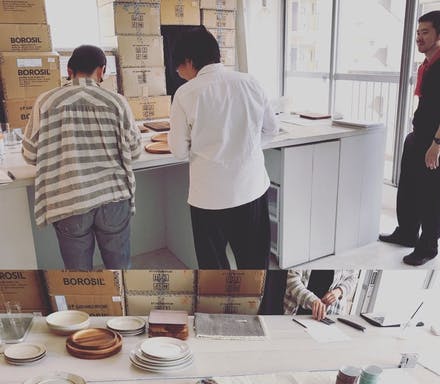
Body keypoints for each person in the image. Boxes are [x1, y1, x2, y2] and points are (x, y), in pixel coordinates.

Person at [168, 26, 279, 270]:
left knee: (214, 270)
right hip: (251, 189)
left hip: (209, 198)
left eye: (178, 65)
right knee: (254, 267)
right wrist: (245, 148)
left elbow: (178, 150)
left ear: (189, 60)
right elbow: (271, 130)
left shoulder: (185, 94)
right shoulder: (251, 82)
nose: (177, 71)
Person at [22, 45, 142, 270]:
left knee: (79, 276)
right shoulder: (117, 102)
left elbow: (30, 154)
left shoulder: (45, 102)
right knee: (120, 272)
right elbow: (135, 151)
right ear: (102, 70)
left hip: (69, 200)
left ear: (69, 71)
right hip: (113, 200)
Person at [379, 11, 440, 266]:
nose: (419, 38)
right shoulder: (427, 64)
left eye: (425, 32)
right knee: (409, 189)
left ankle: (428, 246)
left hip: (433, 142)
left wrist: (436, 145)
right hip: (419, 136)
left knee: (429, 195)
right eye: (418, 32)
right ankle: (407, 233)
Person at [283, 270, 358, 321]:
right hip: (297, 312)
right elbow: (292, 281)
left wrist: (340, 290)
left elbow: (353, 277)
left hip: (332, 314)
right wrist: (312, 300)